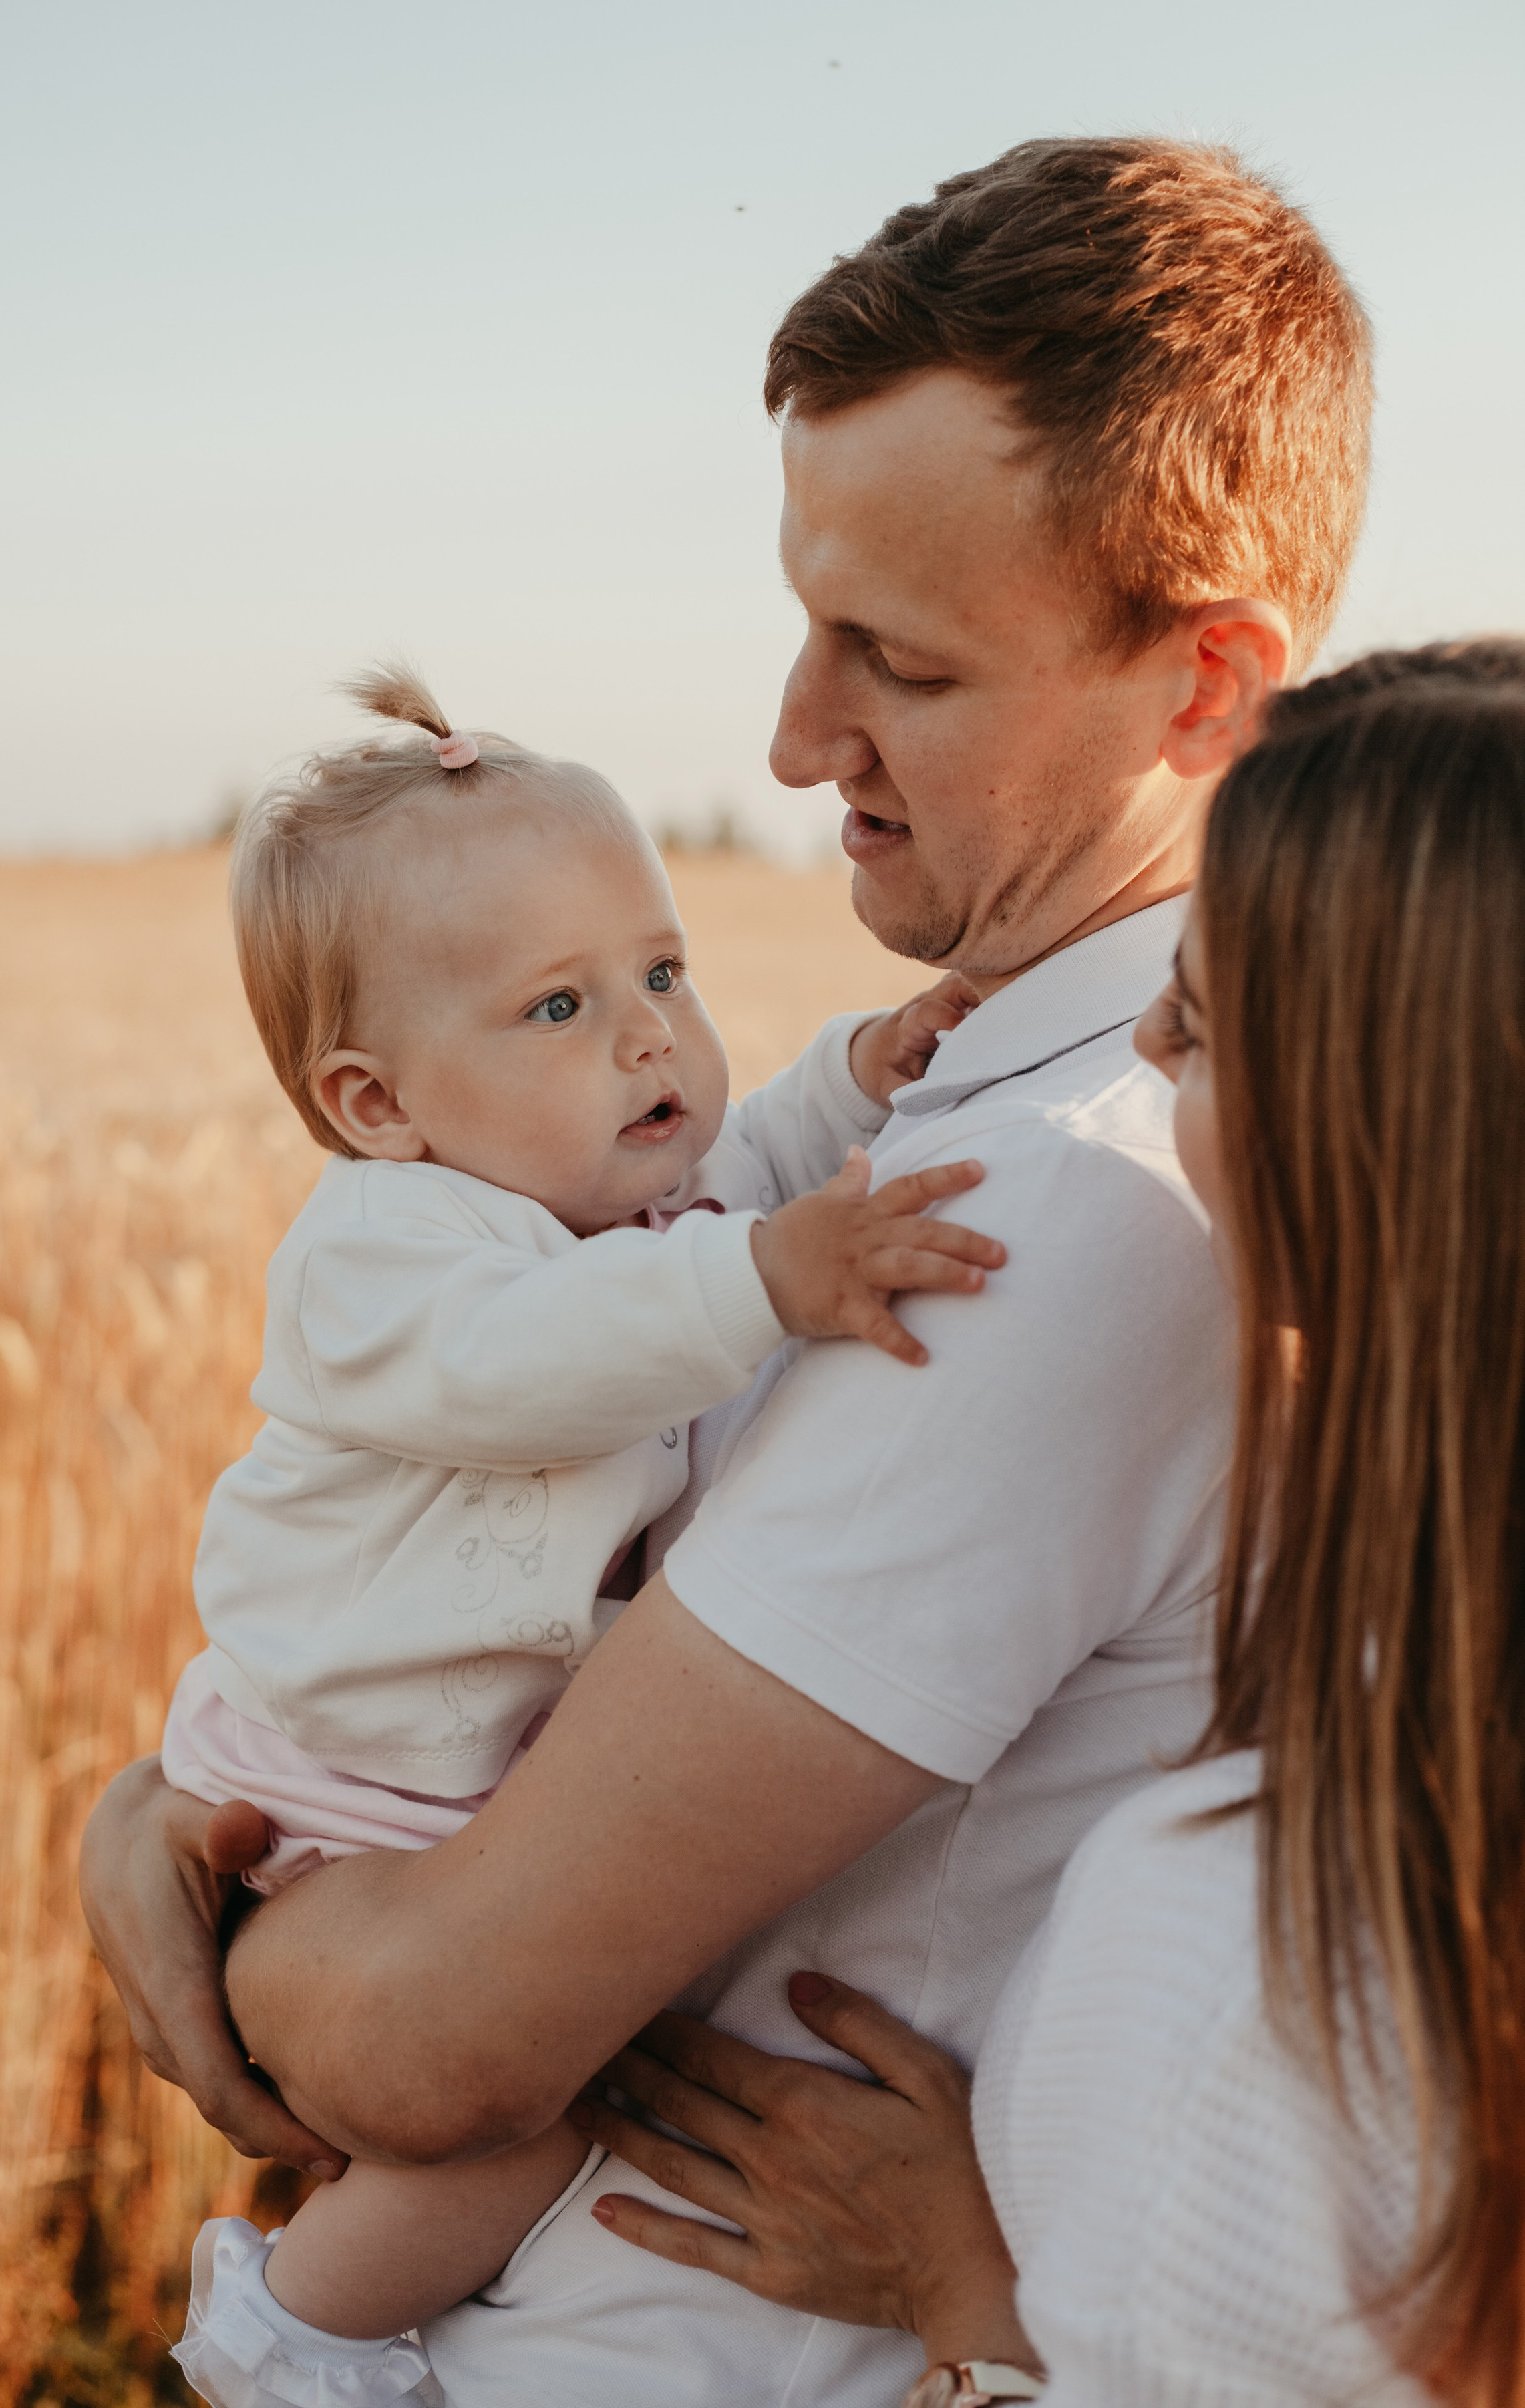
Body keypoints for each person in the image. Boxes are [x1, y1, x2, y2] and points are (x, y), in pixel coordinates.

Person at [81, 136, 1373, 2408]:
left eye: (901, 658)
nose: (792, 741)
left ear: (1202, 684)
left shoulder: (1052, 1224)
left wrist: (182, 1894)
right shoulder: (957, 1120)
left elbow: (439, 2038)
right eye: (804, 618)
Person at [578, 643, 1525, 2408]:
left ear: (1386, 1131)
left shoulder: (1264, 1955)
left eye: (1206, 1020)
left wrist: (972, 2305)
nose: (1145, 1047)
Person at [158, 663, 994, 2399]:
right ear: (380, 1106)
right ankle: (288, 2337)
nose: (645, 1038)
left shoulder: (619, 1189)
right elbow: (541, 1367)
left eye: (664, 974)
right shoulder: (386, 1260)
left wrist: (859, 1072)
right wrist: (768, 1281)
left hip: (467, 1792)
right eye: (557, 1007)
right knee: (520, 2115)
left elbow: (745, 1157)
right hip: (349, 1795)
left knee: (546, 2075)